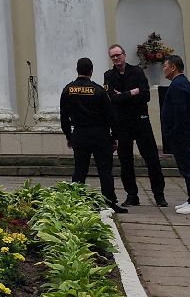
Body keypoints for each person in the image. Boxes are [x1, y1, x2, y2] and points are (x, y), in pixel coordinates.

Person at [104, 45, 167, 208]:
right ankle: (132, 195)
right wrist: (132, 93)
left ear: (124, 55)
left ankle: (159, 195)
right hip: (122, 123)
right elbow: (111, 98)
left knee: (151, 158)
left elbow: (145, 95)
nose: (116, 58)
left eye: (118, 55)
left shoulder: (137, 72)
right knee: (125, 161)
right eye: (113, 56)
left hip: (140, 120)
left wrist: (122, 95)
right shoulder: (109, 75)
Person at [60, 57, 125, 213]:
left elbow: (64, 116)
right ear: (91, 71)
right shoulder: (99, 90)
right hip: (99, 134)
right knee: (105, 170)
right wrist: (115, 137)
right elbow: (111, 116)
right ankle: (110, 203)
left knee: (80, 169)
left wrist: (69, 135)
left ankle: (75, 202)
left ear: (77, 70)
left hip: (80, 134)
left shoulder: (68, 90)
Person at [160, 55, 190, 214]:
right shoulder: (180, 84)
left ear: (173, 67)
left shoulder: (178, 86)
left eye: (165, 65)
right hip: (181, 133)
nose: (163, 68)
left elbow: (180, 112)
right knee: (186, 168)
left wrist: (172, 132)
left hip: (181, 135)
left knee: (188, 169)